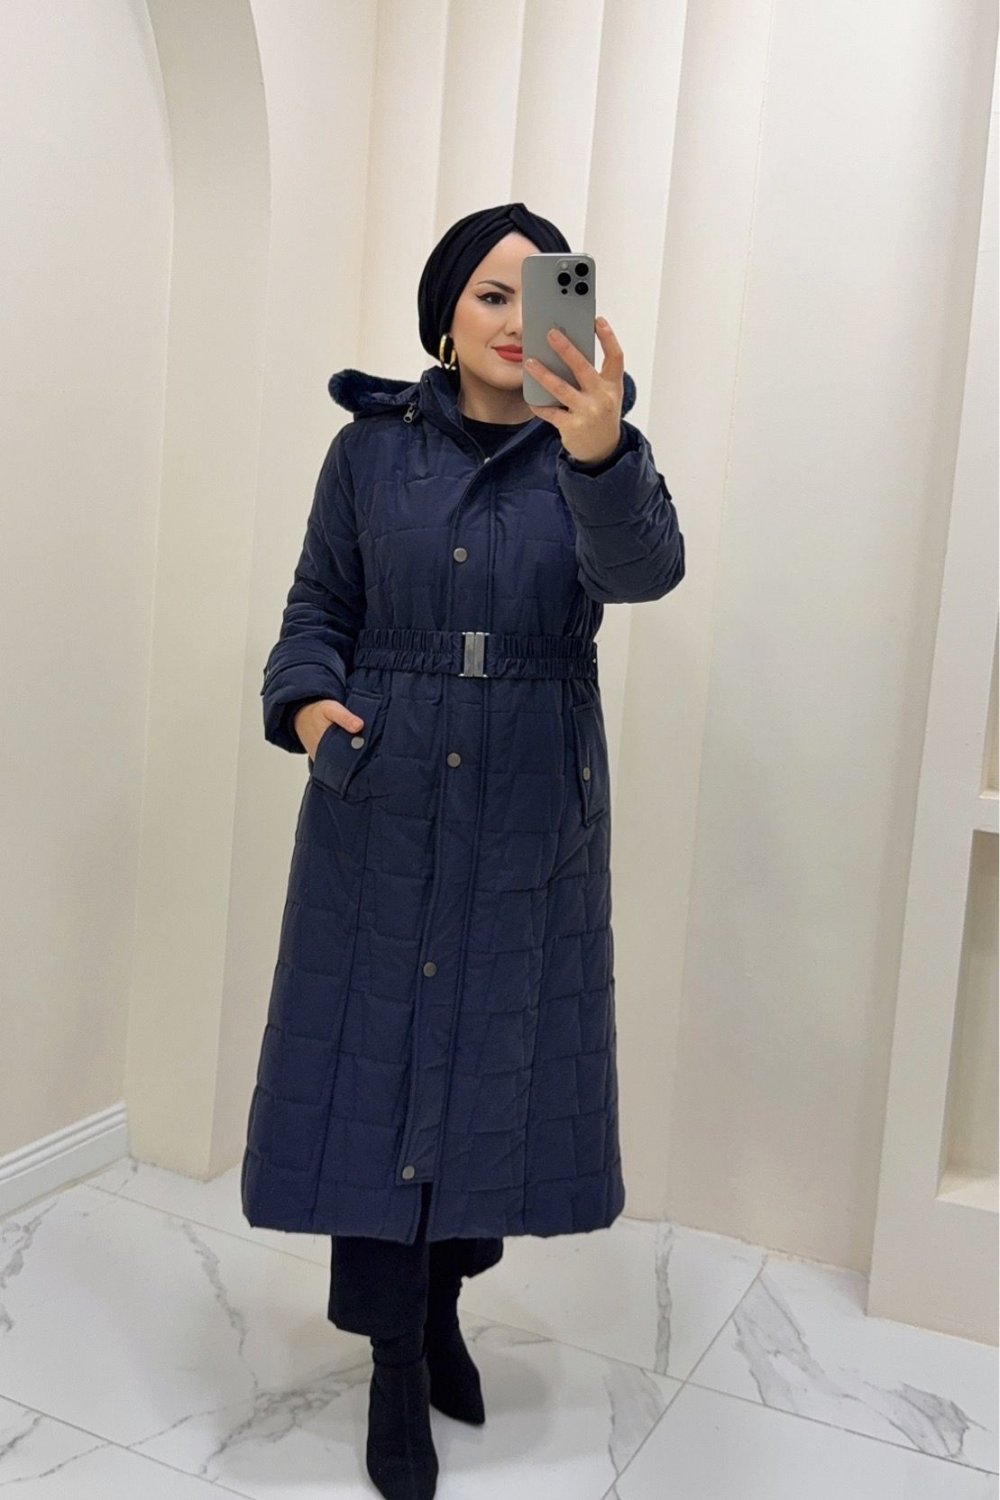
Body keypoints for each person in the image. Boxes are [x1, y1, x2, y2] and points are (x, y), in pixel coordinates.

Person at [240, 202, 686, 1499]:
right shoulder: (369, 454)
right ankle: (394, 1364)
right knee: (374, 1075)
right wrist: (311, 710)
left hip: (531, 800)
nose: (511, 318)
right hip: (383, 794)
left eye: (537, 293)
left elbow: (647, 574)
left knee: (490, 1069)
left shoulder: (593, 444)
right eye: (488, 293)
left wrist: (600, 452)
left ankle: (441, 1313)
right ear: (445, 317)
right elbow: (317, 609)